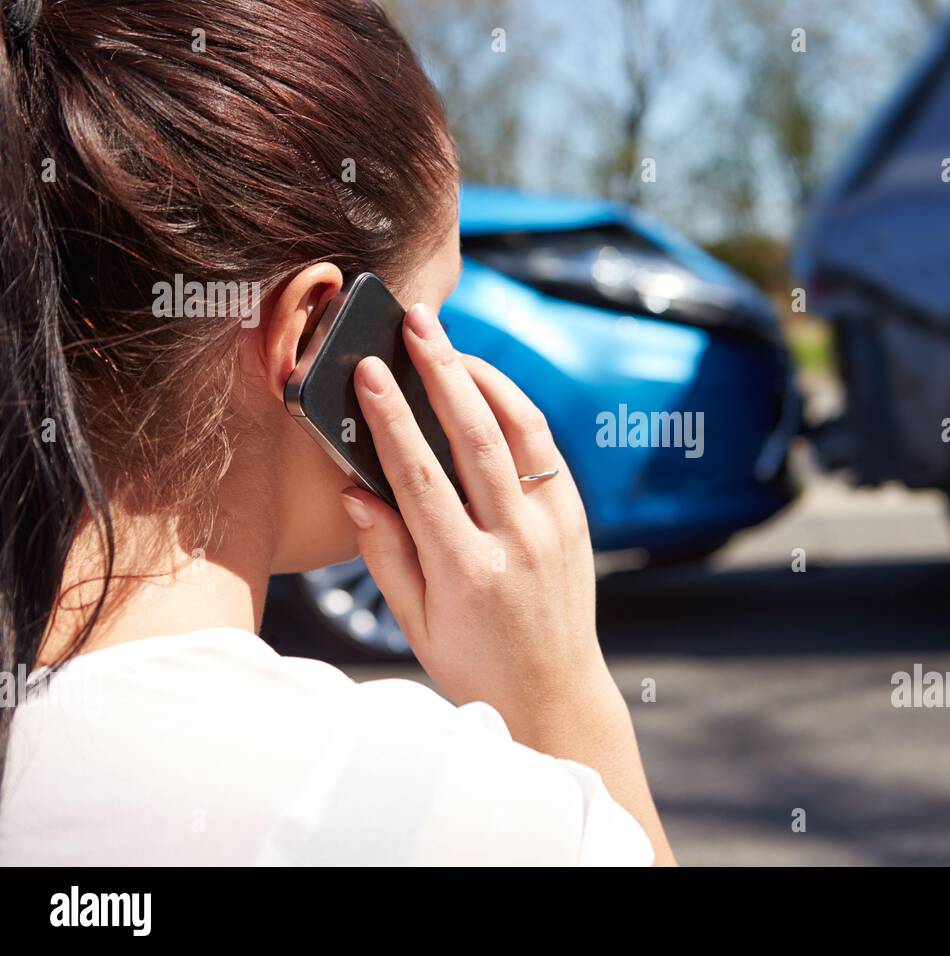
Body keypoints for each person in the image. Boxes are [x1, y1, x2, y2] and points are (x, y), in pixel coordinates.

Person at [0, 0, 675, 866]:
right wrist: (564, 697)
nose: (447, 367)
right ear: (315, 331)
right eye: (431, 318)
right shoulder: (432, 805)